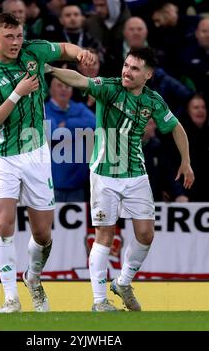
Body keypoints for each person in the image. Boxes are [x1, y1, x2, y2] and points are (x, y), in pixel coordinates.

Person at [45, 46, 194, 311]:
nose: (127, 71)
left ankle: (123, 282)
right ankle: (99, 301)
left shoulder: (154, 101)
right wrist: (50, 69)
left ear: (148, 74)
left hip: (136, 174)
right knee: (105, 234)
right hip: (104, 173)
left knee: (146, 234)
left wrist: (186, 161)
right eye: (126, 65)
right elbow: (80, 80)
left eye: (135, 68)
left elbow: (176, 128)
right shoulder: (109, 87)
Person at [0, 12, 94, 313]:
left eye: (19, 35)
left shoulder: (33, 51)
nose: (15, 42)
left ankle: (33, 278)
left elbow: (64, 48)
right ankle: (11, 298)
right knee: (3, 225)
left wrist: (81, 54)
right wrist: (17, 93)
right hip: (2, 156)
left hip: (36, 154)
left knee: (43, 234)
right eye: (9, 36)